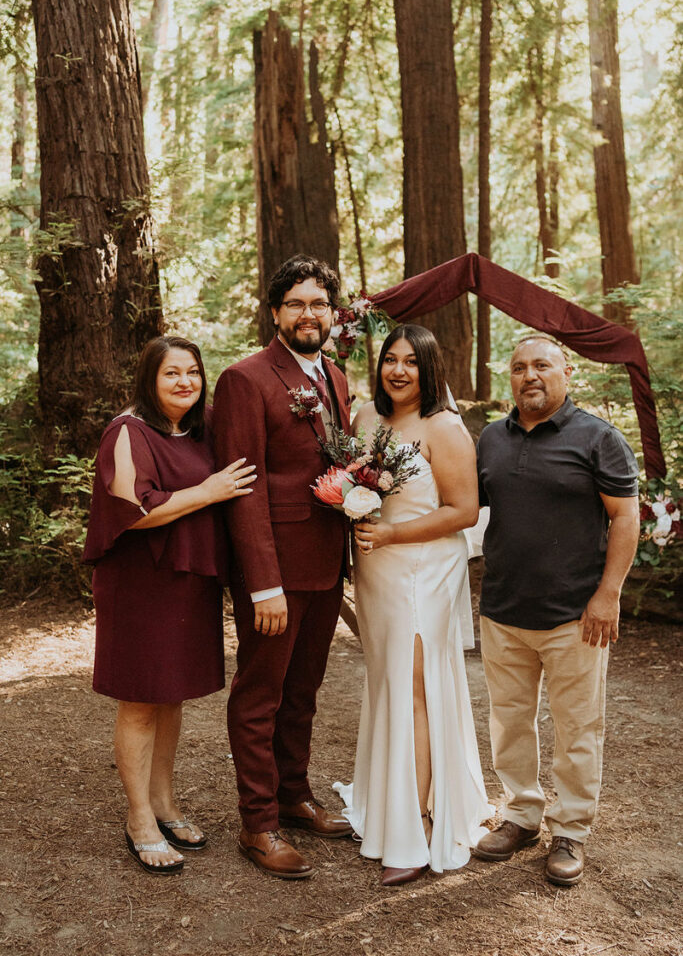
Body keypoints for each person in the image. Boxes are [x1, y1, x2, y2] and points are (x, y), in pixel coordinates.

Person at [83, 336, 256, 876]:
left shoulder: (201, 429)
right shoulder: (127, 430)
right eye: (171, 374)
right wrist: (208, 491)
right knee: (140, 698)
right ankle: (138, 818)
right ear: (149, 380)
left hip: (188, 581)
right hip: (141, 584)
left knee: (172, 695)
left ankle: (164, 803)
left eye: (193, 373)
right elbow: (134, 508)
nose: (185, 382)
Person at [473, 335, 640, 886]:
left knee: (577, 728)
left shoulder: (598, 438)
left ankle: (571, 829)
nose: (530, 376)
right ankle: (521, 814)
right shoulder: (491, 439)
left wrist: (607, 594)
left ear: (566, 372)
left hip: (576, 617)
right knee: (509, 723)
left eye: (541, 365)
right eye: (519, 367)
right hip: (502, 611)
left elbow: (625, 517)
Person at [334, 324, 492, 886]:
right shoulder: (366, 421)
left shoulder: (444, 427)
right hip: (376, 570)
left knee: (418, 688)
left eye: (411, 362)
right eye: (390, 360)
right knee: (388, 683)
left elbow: (465, 510)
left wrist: (394, 537)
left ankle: (423, 824)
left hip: (423, 569)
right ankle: (388, 801)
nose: (398, 371)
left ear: (429, 369)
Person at [213, 254, 354, 880]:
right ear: (275, 313)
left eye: (318, 303)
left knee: (304, 691)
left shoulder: (337, 376)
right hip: (274, 574)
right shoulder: (246, 379)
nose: (308, 314)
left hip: (327, 564)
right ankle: (259, 821)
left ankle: (295, 796)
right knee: (261, 695)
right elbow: (245, 489)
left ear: (333, 313)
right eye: (295, 303)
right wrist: (263, 583)